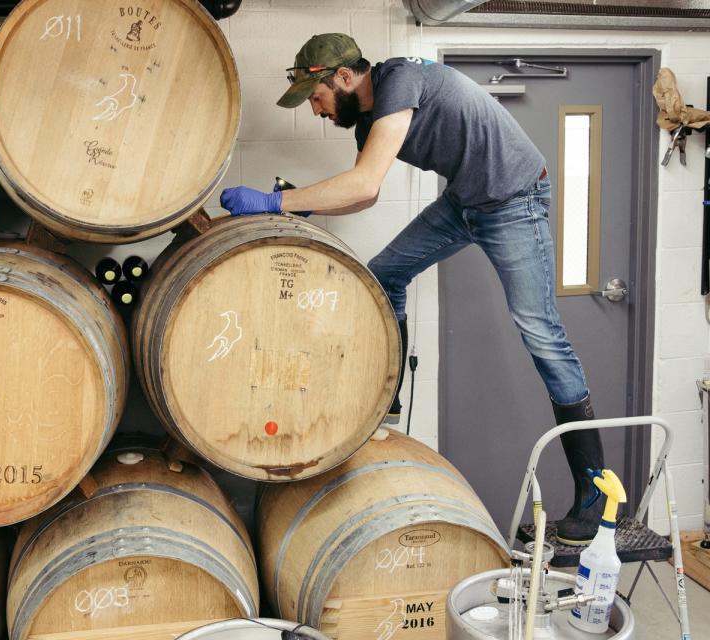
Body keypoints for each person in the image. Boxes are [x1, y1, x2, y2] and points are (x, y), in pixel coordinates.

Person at [220, 33, 603, 545]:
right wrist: (304, 204)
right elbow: (360, 198)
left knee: (541, 335)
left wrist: (273, 203)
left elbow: (364, 185)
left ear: (344, 77)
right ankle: (389, 399)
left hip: (515, 199)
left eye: (316, 97)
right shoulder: (370, 122)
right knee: (384, 274)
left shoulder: (401, 79)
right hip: (467, 200)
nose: (316, 111)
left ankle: (594, 493)